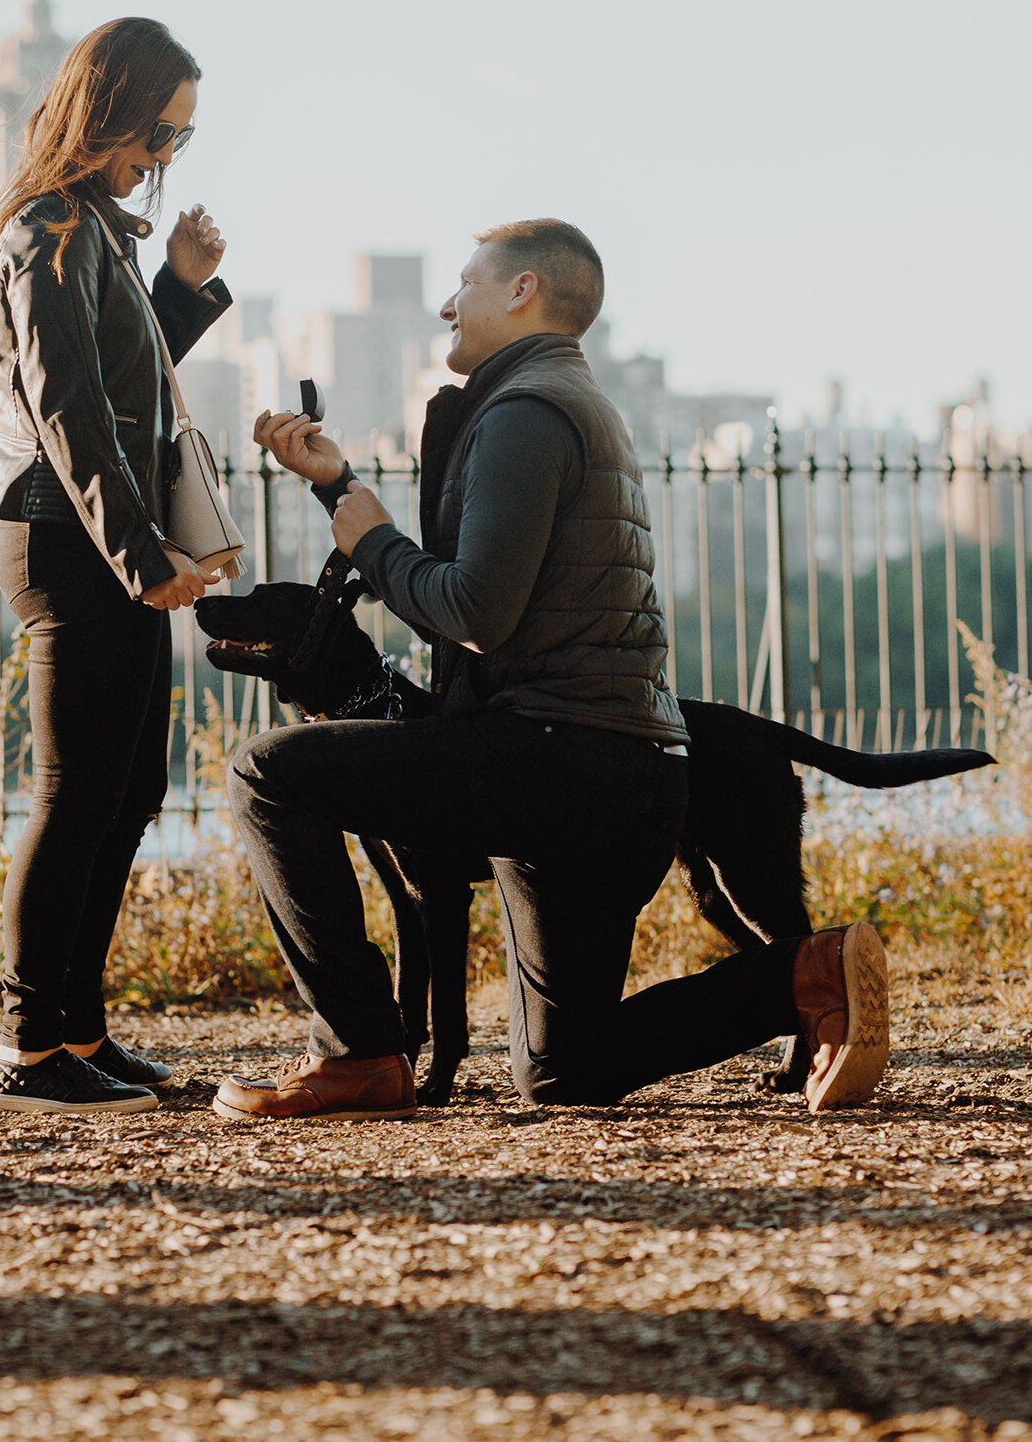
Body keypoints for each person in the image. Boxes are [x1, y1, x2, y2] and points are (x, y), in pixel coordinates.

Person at [213, 218, 889, 1122]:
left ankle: (360, 1055)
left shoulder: (525, 414)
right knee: (563, 1071)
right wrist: (342, 490)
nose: (447, 306)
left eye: (465, 285)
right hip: (629, 773)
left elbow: (473, 612)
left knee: (267, 771)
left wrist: (371, 537)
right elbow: (489, 591)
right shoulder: (564, 402)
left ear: (522, 290)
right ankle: (806, 971)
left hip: (556, 758)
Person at [0, 17, 231, 1115]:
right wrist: (139, 556)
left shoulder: (95, 233)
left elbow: (122, 376)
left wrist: (179, 287)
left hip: (106, 543)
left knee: (131, 789)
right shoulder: (43, 233)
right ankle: (27, 1053)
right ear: (106, 110)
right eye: (159, 129)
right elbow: (68, 410)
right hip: (69, 542)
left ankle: (79, 1028)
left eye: (182, 137)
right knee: (77, 794)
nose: (166, 155)